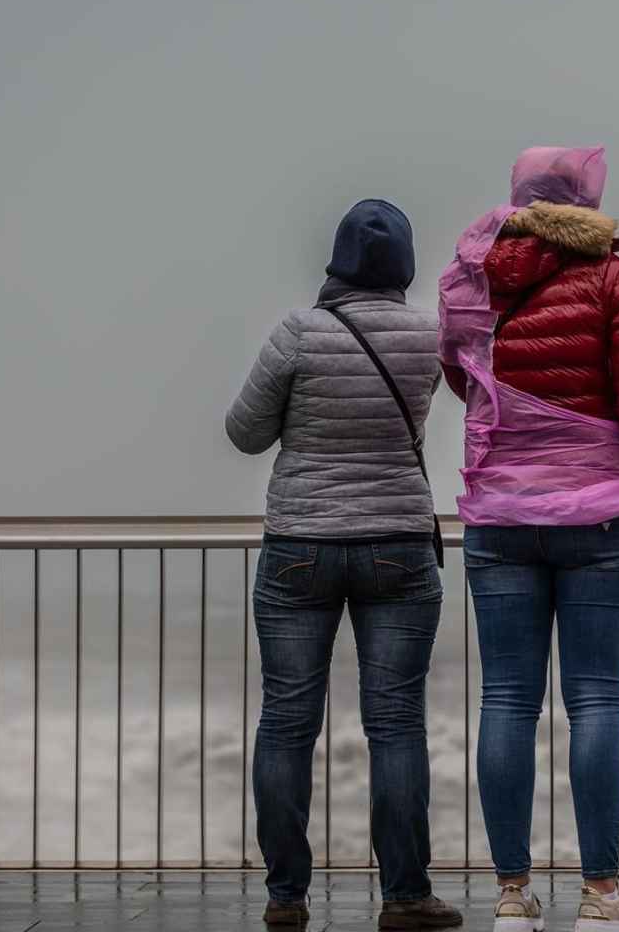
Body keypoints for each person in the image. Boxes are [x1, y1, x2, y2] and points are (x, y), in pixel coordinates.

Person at [438, 148, 619, 932]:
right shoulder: (611, 281)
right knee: (595, 697)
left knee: (506, 699)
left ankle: (513, 896)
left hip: (501, 515)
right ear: (589, 203)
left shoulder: (479, 276)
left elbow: (464, 379)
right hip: (597, 518)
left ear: (520, 200)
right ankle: (599, 896)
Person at [227, 198, 461, 930]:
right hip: (396, 539)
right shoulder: (429, 336)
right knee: (395, 724)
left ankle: (285, 897)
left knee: (289, 721)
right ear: (404, 265)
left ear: (336, 259)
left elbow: (244, 432)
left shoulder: (299, 332)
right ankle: (404, 895)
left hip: (301, 543)